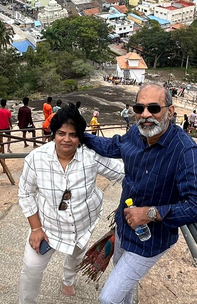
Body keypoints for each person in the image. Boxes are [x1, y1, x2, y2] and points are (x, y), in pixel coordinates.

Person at [81, 84, 197, 304]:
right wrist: (79, 135)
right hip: (124, 228)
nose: (145, 115)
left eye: (154, 108)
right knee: (123, 285)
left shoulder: (184, 150)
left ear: (170, 112)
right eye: (139, 108)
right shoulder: (136, 133)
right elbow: (113, 146)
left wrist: (151, 213)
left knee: (108, 298)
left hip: (149, 241)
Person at [17, 105, 124, 303]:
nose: (67, 139)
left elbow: (122, 173)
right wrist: (36, 228)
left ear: (80, 137)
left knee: (76, 254)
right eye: (61, 133)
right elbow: (25, 193)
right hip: (48, 225)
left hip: (83, 222)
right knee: (31, 268)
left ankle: (68, 279)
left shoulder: (90, 157)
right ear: (53, 134)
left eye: (73, 135)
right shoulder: (36, 159)